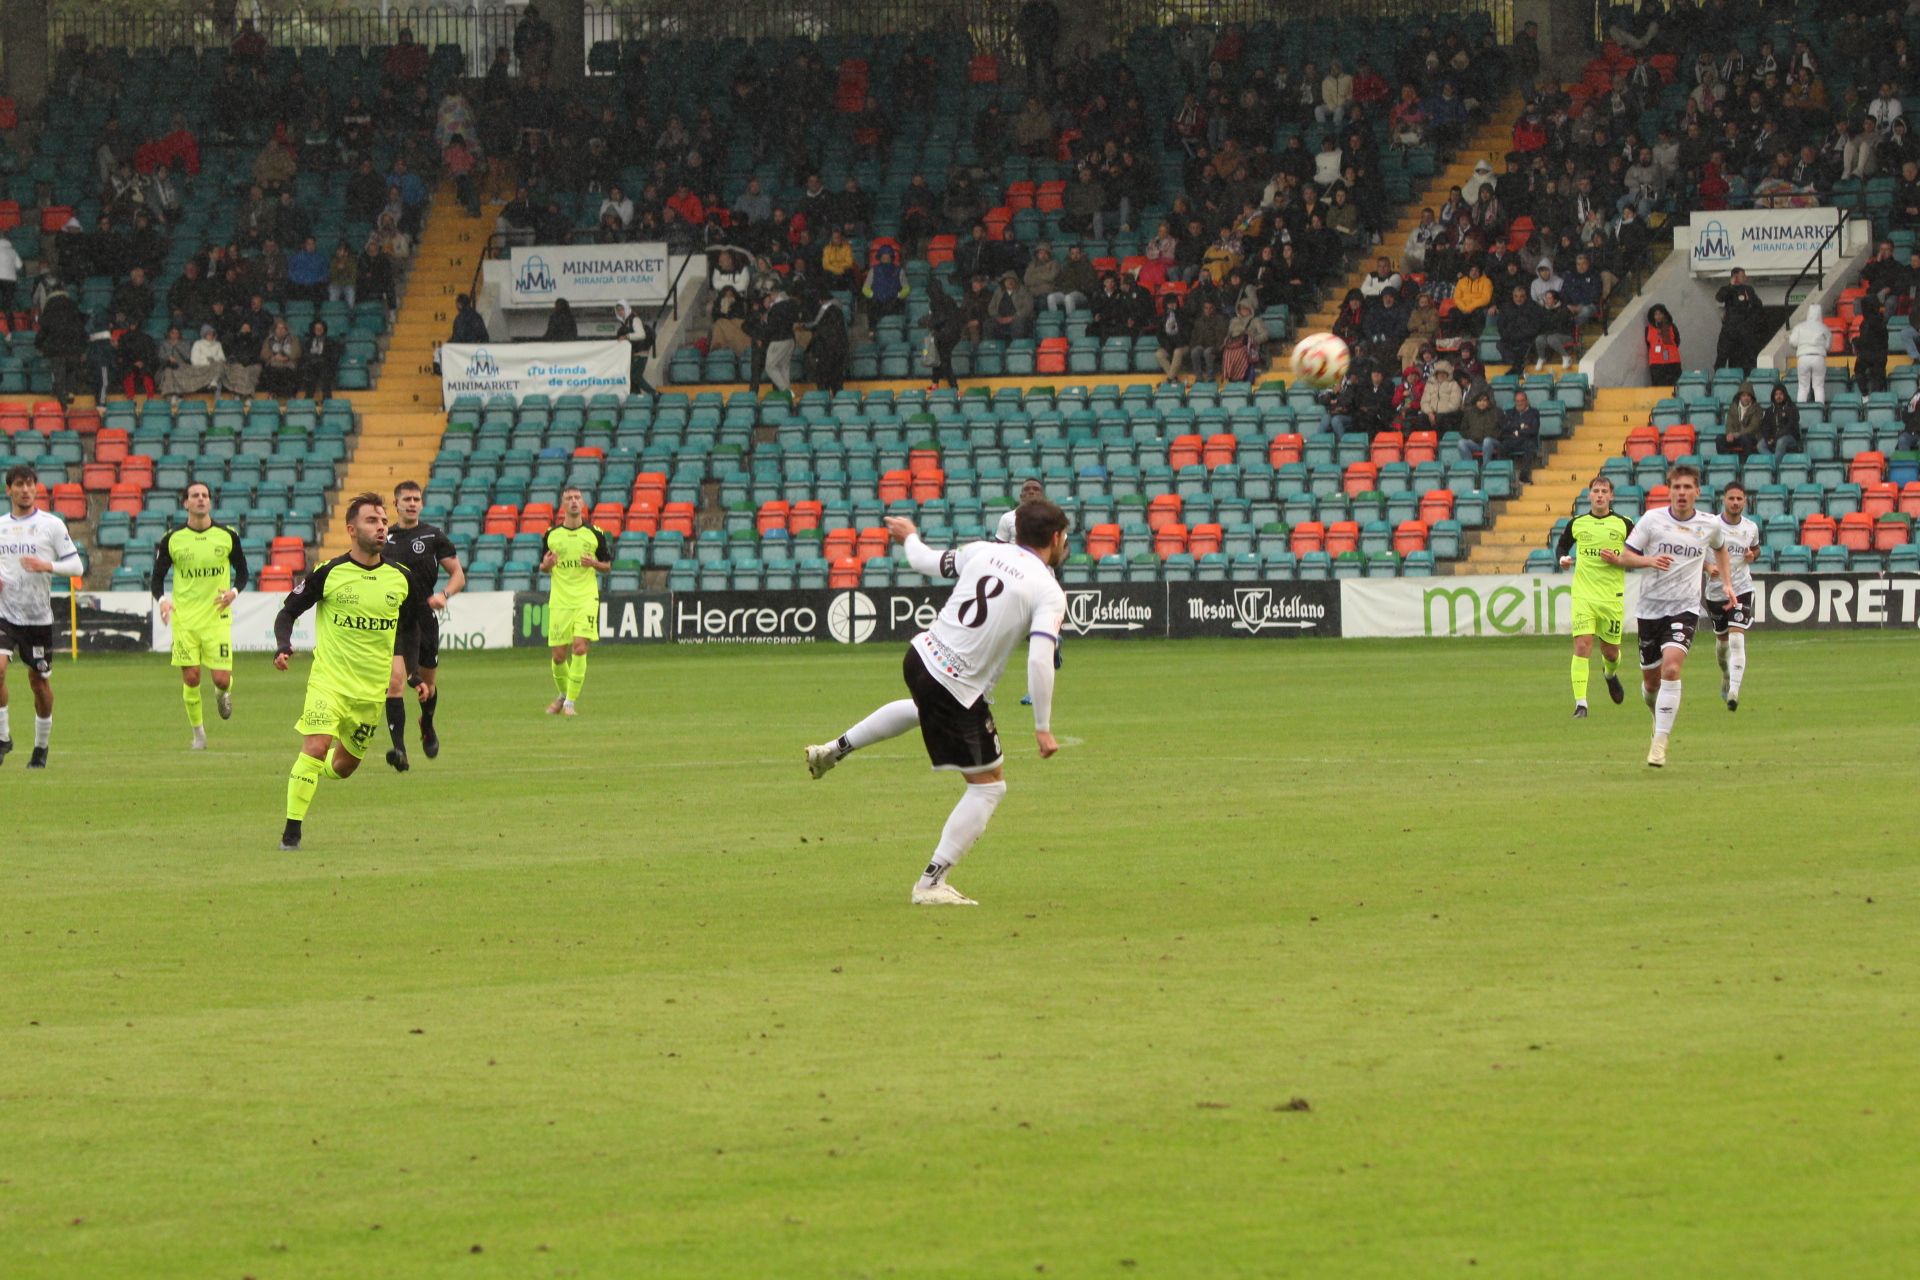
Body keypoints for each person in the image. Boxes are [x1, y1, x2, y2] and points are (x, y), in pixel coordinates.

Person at [804, 503, 1070, 905]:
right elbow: (1039, 658)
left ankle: (833, 750)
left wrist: (909, 534)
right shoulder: (1048, 589)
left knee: (920, 709)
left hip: (921, 656)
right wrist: (1042, 726)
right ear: (1054, 538)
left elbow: (924, 560)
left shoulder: (982, 550)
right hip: (955, 683)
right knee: (988, 788)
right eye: (1065, 536)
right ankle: (931, 883)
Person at [273, 495, 428, 851]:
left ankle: (311, 773)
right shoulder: (329, 572)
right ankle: (291, 832)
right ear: (351, 529)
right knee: (315, 745)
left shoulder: (400, 578)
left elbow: (411, 628)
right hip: (329, 682)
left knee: (343, 766)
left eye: (383, 521)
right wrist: (283, 645)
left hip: (369, 692)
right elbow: (288, 612)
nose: (381, 527)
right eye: (372, 520)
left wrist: (415, 674)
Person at [1600, 464, 1734, 768]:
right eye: (1677, 487)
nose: (1682, 493)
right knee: (1651, 684)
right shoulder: (1652, 520)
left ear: (1697, 491)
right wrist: (1649, 560)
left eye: (1688, 487)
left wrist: (1726, 582)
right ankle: (1657, 716)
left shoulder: (1709, 524)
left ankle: (1660, 742)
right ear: (1669, 490)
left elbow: (1721, 549)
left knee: (1672, 669)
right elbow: (1625, 555)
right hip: (1650, 609)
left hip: (1684, 608)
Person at [0, 464, 85, 768]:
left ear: (36, 489)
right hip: (5, 614)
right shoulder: (0, 527)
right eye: (19, 484)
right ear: (8, 490)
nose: (25, 489)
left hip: (37, 619)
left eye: (30, 484)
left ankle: (41, 747)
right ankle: (3, 737)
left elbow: (77, 568)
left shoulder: (52, 525)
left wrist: (46, 565)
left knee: (39, 683)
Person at [152, 481, 246, 749]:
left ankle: (222, 693)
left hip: (217, 617)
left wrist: (234, 592)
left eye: (205, 495)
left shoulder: (227, 536)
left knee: (221, 678)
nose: (201, 499)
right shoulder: (172, 539)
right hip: (185, 621)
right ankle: (199, 735)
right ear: (186, 503)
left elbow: (243, 572)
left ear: (210, 502)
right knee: (191, 677)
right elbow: (157, 578)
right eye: (195, 496)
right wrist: (162, 601)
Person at [382, 480, 464, 768]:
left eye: (417, 499)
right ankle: (399, 749)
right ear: (396, 504)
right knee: (395, 682)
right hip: (393, 619)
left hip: (424, 616)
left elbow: (457, 574)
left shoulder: (432, 536)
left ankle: (427, 723)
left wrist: (444, 594)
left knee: (428, 686)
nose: (412, 503)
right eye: (406, 499)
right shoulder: (384, 538)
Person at [1555, 475, 1633, 719]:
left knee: (1611, 653)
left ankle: (1609, 674)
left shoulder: (1624, 524)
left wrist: (1620, 560)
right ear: (1589, 495)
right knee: (1582, 644)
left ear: (1611, 496)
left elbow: (1640, 553)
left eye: (1604, 491)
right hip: (1583, 595)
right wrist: (1563, 559)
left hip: (1611, 597)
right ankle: (1581, 704)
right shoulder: (1577, 523)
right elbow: (1561, 547)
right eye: (1596, 491)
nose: (1600, 495)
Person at [540, 486, 611, 716]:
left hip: (585, 598)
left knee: (580, 647)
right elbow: (543, 566)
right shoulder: (551, 535)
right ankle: (563, 694)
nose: (573, 501)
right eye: (569, 498)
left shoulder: (595, 533)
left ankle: (570, 701)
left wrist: (594, 564)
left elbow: (607, 566)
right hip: (560, 600)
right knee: (559, 656)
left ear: (583, 503)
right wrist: (546, 566)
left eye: (577, 498)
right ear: (562, 504)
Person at [1702, 481, 1762, 712]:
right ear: (1723, 500)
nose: (1735, 502)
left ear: (1745, 501)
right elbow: (1695, 554)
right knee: (1722, 645)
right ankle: (1726, 675)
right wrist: (1708, 567)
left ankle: (1734, 692)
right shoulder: (1711, 526)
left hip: (1742, 589)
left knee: (1737, 639)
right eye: (1731, 498)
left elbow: (1757, 549)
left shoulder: (1751, 527)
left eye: (1739, 499)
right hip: (1716, 592)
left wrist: (1752, 554)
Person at [1714, 268, 1766, 369]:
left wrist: (1750, 299)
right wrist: (1731, 286)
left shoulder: (1748, 289)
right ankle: (1719, 379)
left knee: (1746, 357)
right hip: (1729, 330)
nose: (1745, 278)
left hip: (1744, 330)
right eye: (1742, 276)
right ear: (1735, 277)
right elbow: (1719, 298)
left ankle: (1747, 379)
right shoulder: (1727, 289)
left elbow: (1758, 305)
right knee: (1722, 355)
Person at [611, 300, 658, 397]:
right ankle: (637, 397)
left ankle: (654, 393)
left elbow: (641, 334)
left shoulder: (634, 319)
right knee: (631, 377)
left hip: (641, 353)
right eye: (618, 310)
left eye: (622, 309)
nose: (620, 312)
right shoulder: (625, 323)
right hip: (634, 353)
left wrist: (627, 336)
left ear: (626, 308)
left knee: (635, 376)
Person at [805, 294, 849, 393]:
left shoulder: (823, 323)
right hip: (837, 356)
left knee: (823, 385)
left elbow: (818, 336)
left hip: (825, 357)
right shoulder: (838, 318)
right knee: (837, 385)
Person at [1787, 303, 1828, 403]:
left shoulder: (1799, 327)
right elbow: (1828, 345)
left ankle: (1801, 411)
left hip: (1803, 357)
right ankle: (1820, 410)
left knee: (1803, 387)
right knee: (1818, 386)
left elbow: (1792, 342)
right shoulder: (1823, 328)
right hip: (1818, 357)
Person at [1852, 294, 1889, 393]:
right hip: (1880, 356)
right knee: (1878, 378)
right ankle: (1876, 399)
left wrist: (1855, 341)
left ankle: (1865, 395)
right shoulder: (1881, 321)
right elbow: (1885, 339)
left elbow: (1866, 340)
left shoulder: (1866, 323)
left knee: (1858, 370)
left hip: (1867, 355)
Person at [1720, 381, 1764, 456]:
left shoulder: (1757, 409)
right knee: (1719, 439)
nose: (1746, 398)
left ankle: (1748, 464)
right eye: (1743, 395)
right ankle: (1730, 460)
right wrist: (1730, 434)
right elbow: (1729, 424)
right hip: (1736, 436)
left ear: (1751, 397)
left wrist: (1737, 434)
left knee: (1745, 438)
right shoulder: (1733, 407)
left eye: (1748, 396)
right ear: (1739, 396)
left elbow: (1753, 427)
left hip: (1752, 437)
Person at [1644, 304, 1681, 386]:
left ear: (1664, 314)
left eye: (1660, 313)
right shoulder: (1648, 329)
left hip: (1672, 362)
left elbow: (1677, 341)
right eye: (1656, 314)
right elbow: (1648, 344)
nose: (1658, 316)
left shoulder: (1671, 326)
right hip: (1656, 364)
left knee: (1675, 387)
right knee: (1659, 388)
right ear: (1653, 316)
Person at [1760, 382, 1801, 456]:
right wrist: (1768, 437)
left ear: (1785, 395)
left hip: (1790, 437)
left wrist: (1775, 437)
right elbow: (1764, 426)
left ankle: (1776, 466)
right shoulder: (1770, 410)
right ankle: (1772, 462)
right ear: (1773, 396)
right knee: (1760, 445)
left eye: (1781, 394)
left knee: (1780, 441)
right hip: (1773, 437)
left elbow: (1790, 426)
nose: (1778, 396)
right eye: (1776, 394)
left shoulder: (1792, 408)